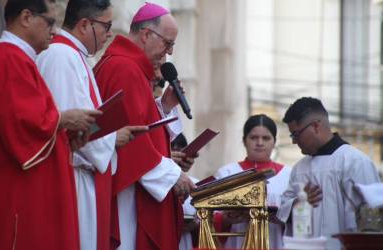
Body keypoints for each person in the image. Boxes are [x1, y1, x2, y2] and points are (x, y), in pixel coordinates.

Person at [0, 1, 100, 249]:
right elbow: (22, 124)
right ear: (26, 17)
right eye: (50, 22)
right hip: (6, 195)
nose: (55, 31)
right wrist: (64, 118)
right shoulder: (8, 59)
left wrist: (66, 135)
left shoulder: (17, 58)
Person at [36, 1, 147, 249]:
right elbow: (70, 126)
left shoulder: (74, 56)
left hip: (81, 176)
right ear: (85, 24)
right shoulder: (61, 56)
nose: (110, 34)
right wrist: (112, 137)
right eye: (106, 26)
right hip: (71, 179)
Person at [94, 2, 196, 250]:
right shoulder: (124, 68)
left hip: (133, 185)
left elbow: (141, 124)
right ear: (146, 34)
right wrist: (173, 175)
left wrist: (165, 106)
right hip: (127, 193)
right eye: (167, 44)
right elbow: (132, 141)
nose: (168, 53)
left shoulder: (130, 67)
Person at [277, 97, 381, 250]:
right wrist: (297, 204)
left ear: (315, 126)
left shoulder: (355, 162)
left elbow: (374, 218)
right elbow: (283, 211)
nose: (294, 141)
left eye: (296, 134)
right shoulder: (299, 169)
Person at [213, 114, 291, 249]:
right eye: (253, 137)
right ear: (244, 141)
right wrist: (227, 219)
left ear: (274, 141)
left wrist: (282, 218)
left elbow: (299, 220)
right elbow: (209, 220)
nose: (260, 143)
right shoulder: (227, 173)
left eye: (266, 138)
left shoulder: (289, 175)